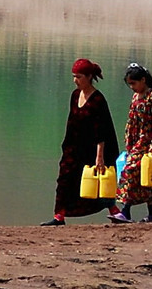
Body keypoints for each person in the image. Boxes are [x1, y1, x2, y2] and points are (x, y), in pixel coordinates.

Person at [43, 59, 120, 226]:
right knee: (65, 180)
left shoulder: (98, 99)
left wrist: (100, 156)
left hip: (92, 149)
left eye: (78, 77)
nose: (75, 80)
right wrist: (66, 146)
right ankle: (59, 216)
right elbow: (71, 122)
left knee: (96, 182)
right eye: (74, 76)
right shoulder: (75, 95)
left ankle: (114, 211)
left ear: (89, 77)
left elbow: (102, 130)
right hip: (73, 148)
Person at [111, 63, 152, 223]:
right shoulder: (135, 96)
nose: (132, 87)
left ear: (143, 80)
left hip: (145, 141)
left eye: (134, 83)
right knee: (143, 176)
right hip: (133, 141)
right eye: (130, 85)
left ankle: (125, 211)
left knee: (129, 171)